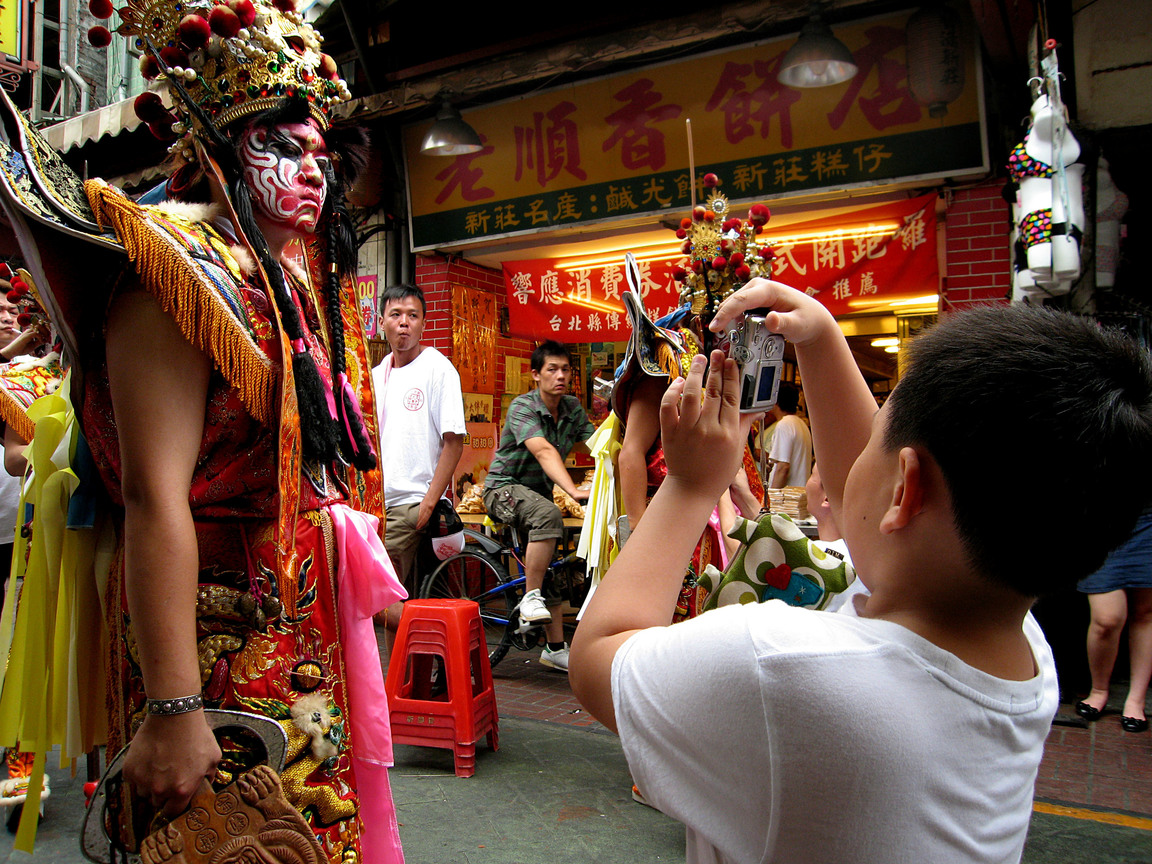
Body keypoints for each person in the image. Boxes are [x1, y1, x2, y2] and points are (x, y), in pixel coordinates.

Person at [0, 2, 405, 860]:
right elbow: (154, 494)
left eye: (320, 156)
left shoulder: (300, 287)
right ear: (212, 155)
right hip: (209, 631)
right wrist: (177, 709)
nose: (310, 174)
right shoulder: (172, 277)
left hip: (300, 620)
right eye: (279, 148)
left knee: (316, 833)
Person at [570, 285, 1152, 864]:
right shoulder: (1020, 643)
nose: (846, 471)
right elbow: (873, 516)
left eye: (877, 434)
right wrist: (820, 338)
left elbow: (597, 656)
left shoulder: (779, 668)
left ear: (907, 488)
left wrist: (690, 485)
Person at [483, 340, 594, 671]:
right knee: (548, 513)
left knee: (555, 567)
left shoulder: (572, 408)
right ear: (535, 375)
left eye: (565, 370)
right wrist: (573, 490)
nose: (560, 376)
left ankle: (555, 648)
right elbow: (544, 450)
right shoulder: (523, 407)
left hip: (536, 495)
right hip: (503, 489)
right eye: (552, 369)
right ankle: (531, 597)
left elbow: (598, 443)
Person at [372, 283, 465, 628]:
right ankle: (409, 678)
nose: (404, 323)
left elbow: (454, 441)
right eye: (396, 315)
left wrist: (428, 502)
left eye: (413, 315)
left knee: (384, 601)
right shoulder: (377, 375)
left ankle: (407, 675)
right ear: (382, 322)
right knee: (400, 600)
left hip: (412, 505)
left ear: (424, 323)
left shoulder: (437, 369)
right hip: (378, 506)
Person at [1075, 508, 1152, 733]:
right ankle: (1098, 690)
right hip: (1102, 520)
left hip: (1148, 518)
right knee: (1106, 619)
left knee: (1146, 613)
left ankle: (1136, 700)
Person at [765, 380, 811, 488]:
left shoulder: (784, 425)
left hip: (786, 499)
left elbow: (783, 467)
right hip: (797, 495)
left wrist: (772, 499)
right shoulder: (801, 424)